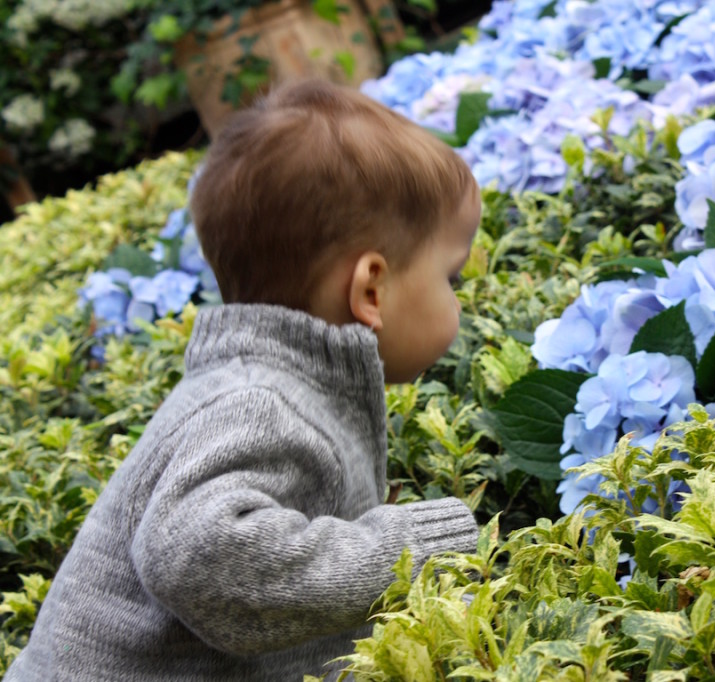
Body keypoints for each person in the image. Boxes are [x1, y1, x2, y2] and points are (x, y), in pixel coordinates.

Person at [7, 79, 482, 681]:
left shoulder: (276, 388)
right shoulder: (261, 406)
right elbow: (196, 556)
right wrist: (410, 549)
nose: (458, 303)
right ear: (371, 289)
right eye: (451, 278)